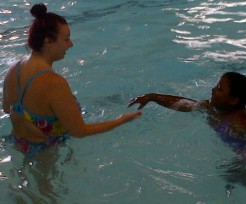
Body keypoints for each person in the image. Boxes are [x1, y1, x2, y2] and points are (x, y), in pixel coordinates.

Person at [2, 4, 141, 155]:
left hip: (18, 144)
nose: (71, 44)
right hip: (45, 153)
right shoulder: (53, 82)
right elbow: (79, 131)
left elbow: (5, 109)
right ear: (48, 41)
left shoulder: (13, 69)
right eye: (66, 39)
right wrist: (122, 120)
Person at [128, 72, 246, 164]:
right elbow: (183, 104)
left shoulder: (242, 121)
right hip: (244, 149)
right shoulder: (211, 108)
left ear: (233, 100)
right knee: (232, 173)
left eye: (219, 88)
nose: (213, 90)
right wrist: (152, 97)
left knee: (233, 172)